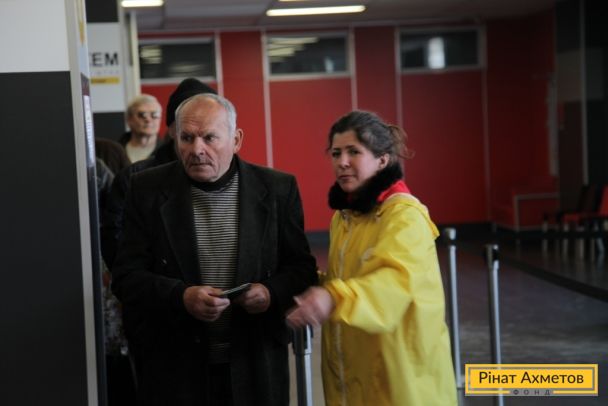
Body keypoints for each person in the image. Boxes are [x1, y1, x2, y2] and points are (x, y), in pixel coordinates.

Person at [111, 93, 318, 406]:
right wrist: (180, 296)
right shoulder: (146, 190)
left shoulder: (277, 189)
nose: (197, 149)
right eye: (187, 138)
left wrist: (270, 292)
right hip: (175, 367)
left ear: (236, 140)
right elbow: (126, 277)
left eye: (209, 137)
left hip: (254, 363)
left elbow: (301, 269)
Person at [287, 110, 457, 406]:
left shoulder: (403, 216)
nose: (342, 162)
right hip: (354, 379)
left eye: (354, 152)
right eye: (336, 153)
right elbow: (348, 281)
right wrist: (306, 282)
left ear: (382, 160)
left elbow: (391, 284)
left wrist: (332, 298)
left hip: (403, 385)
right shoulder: (345, 218)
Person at [101, 78, 216, 267]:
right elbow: (114, 236)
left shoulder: (245, 180)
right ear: (172, 129)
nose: (198, 147)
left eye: (209, 131)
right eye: (188, 129)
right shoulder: (132, 177)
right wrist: (143, 279)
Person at [118, 94, 162, 163]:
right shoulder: (115, 151)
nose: (148, 120)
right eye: (142, 115)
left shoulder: (168, 151)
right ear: (129, 119)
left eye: (154, 114)